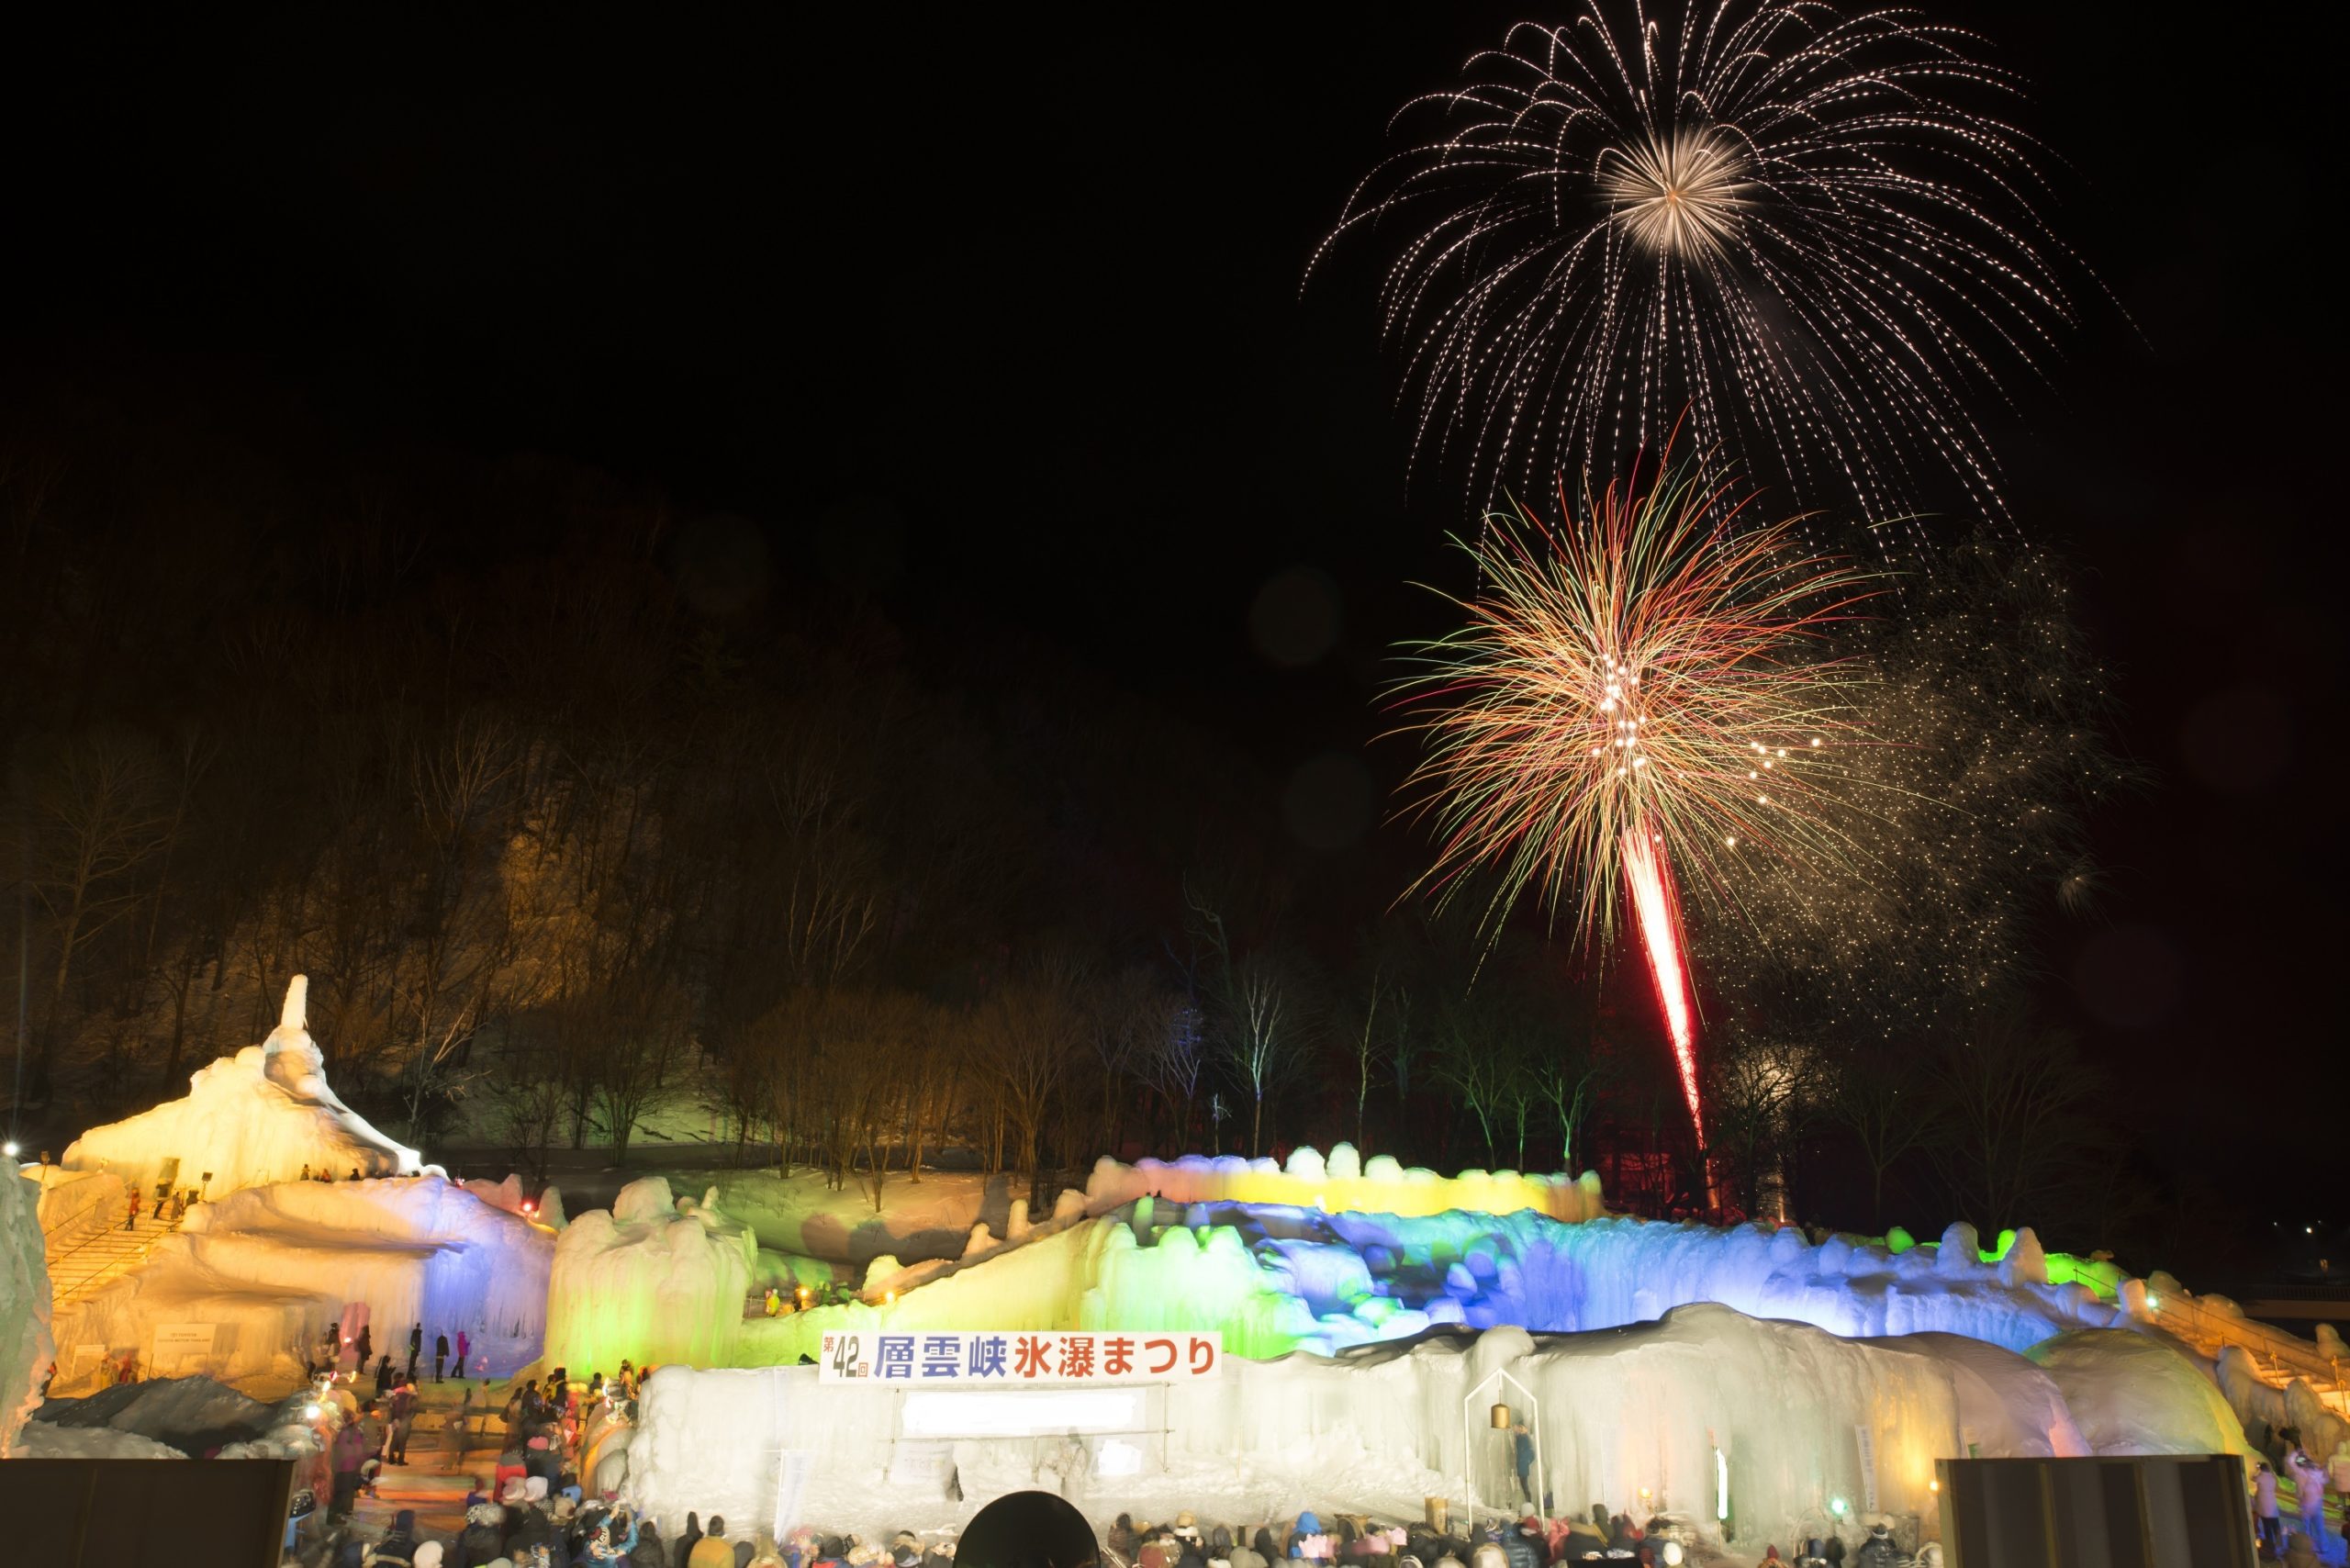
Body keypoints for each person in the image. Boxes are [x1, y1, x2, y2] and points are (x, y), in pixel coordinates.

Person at [2289, 1441, 2329, 1551]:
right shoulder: (2319, 1476)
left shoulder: (2305, 1474)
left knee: (2306, 1527)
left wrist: (2297, 1453)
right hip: (2318, 1506)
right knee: (2320, 1528)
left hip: (2307, 1505)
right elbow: (2326, 1479)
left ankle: (2307, 1546)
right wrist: (2325, 1469)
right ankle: (2323, 1547)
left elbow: (2292, 1462)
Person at [386, 1379, 416, 1464]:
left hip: (395, 1420)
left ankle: (391, 1459)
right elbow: (414, 1410)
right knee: (403, 1441)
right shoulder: (410, 1396)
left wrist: (393, 1419)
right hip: (405, 1420)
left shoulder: (394, 1395)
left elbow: (391, 1408)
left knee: (394, 1439)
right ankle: (400, 1460)